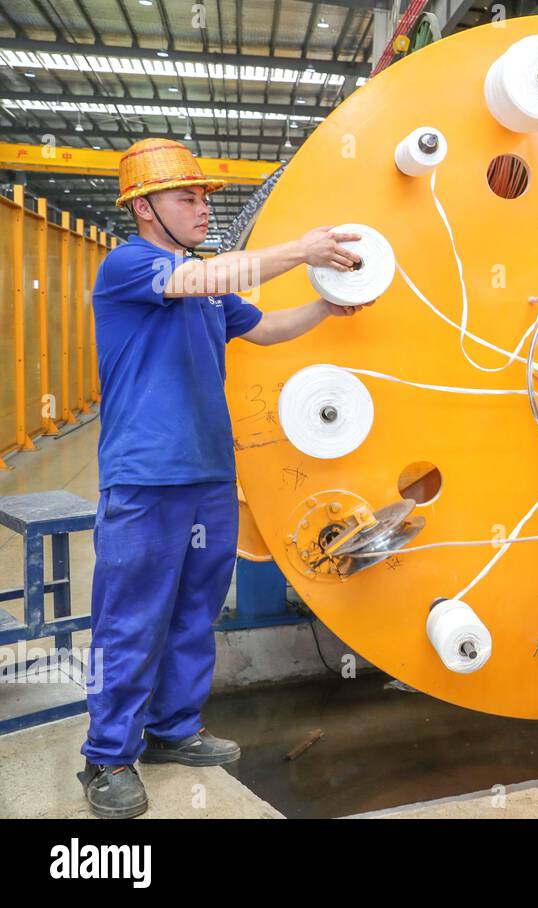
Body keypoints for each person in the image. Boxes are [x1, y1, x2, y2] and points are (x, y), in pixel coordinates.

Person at [78, 137, 372, 818]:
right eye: (188, 197)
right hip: (146, 479)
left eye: (205, 196)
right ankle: (106, 756)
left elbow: (266, 328)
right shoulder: (132, 267)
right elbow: (207, 279)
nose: (203, 208)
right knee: (130, 619)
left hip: (210, 473)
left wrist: (328, 307)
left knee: (192, 612)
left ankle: (174, 729)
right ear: (145, 208)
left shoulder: (205, 287)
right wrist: (301, 250)